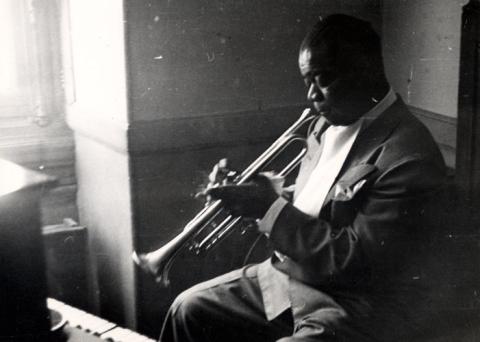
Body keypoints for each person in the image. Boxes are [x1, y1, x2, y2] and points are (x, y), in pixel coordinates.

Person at [159, 14, 446, 342]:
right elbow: (320, 199)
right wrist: (255, 192)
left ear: (365, 70)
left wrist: (268, 209)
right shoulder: (323, 125)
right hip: (291, 277)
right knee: (188, 309)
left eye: (322, 79)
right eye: (307, 80)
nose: (311, 95)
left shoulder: (408, 156)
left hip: (351, 301)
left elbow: (356, 262)